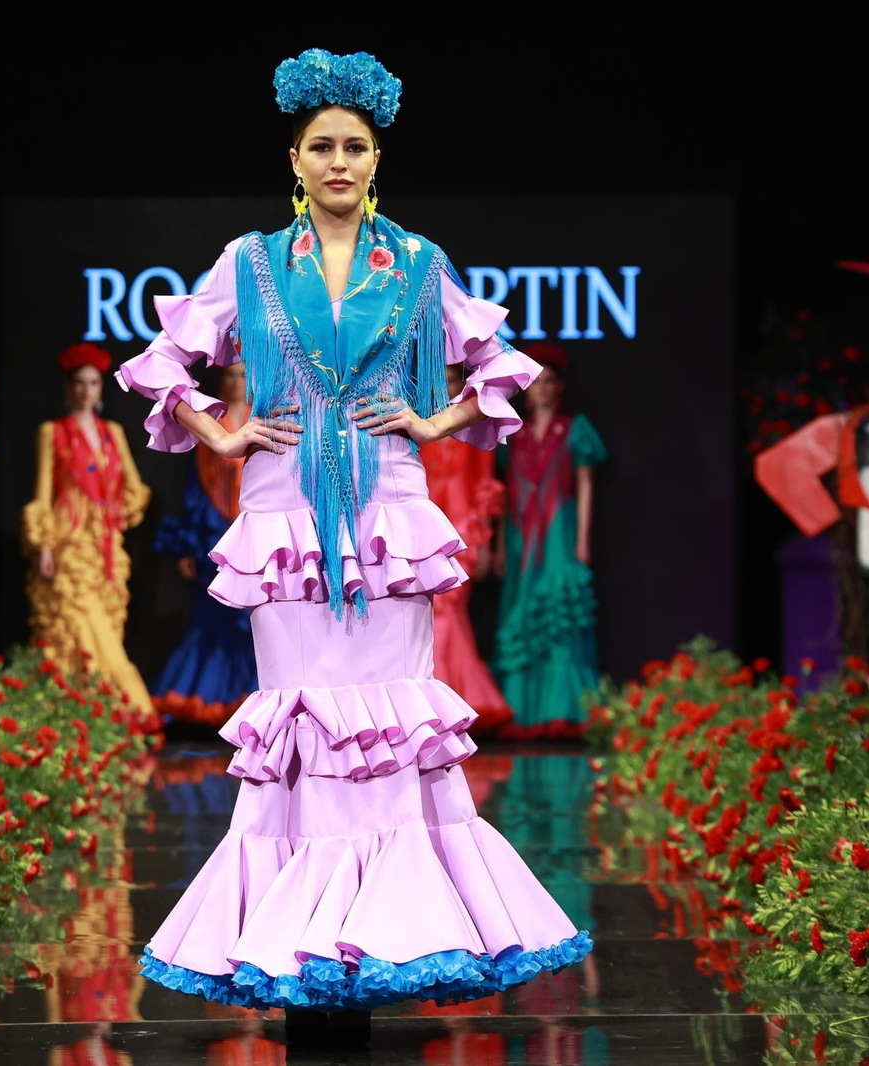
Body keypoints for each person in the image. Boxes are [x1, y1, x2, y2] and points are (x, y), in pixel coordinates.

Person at [112, 49, 590, 1039]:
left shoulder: (416, 262)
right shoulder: (248, 263)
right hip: (285, 524)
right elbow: (162, 362)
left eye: (356, 147)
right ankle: (305, 939)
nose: (339, 162)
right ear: (294, 159)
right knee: (302, 722)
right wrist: (221, 433)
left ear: (376, 160)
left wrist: (432, 421)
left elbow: (498, 363)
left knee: (389, 727)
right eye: (322, 146)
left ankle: (387, 934)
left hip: (388, 522)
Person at [24, 343, 154, 714]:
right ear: (69, 387)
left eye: (93, 383)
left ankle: (97, 718)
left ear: (100, 389)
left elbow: (135, 488)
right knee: (76, 628)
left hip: (105, 548)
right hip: (69, 545)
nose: (86, 390)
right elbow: (43, 494)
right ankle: (104, 713)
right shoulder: (52, 432)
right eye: (79, 383)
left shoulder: (112, 432)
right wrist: (44, 545)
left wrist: (114, 511)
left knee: (105, 629)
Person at [492, 342, 607, 737]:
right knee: (522, 609)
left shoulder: (573, 429)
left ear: (559, 387)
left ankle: (564, 709)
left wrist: (583, 539)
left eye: (550, 381)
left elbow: (585, 485)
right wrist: (499, 546)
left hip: (559, 528)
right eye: (537, 381)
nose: (543, 388)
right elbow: (506, 491)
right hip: (520, 532)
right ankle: (522, 711)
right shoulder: (514, 433)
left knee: (560, 611)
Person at [150, 361, 259, 728]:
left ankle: (253, 702)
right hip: (216, 535)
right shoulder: (210, 421)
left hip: (256, 534)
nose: (236, 381)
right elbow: (194, 486)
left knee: (254, 622)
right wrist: (186, 544)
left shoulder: (263, 416)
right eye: (230, 374)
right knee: (215, 620)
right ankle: (213, 700)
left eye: (242, 375)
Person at [422, 362, 511, 734]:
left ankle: (448, 700)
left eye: (452, 380)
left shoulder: (475, 424)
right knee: (430, 608)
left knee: (448, 607)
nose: (446, 387)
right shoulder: (420, 421)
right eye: (441, 380)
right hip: (426, 527)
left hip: (462, 529)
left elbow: (485, 486)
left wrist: (486, 542)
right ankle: (446, 698)